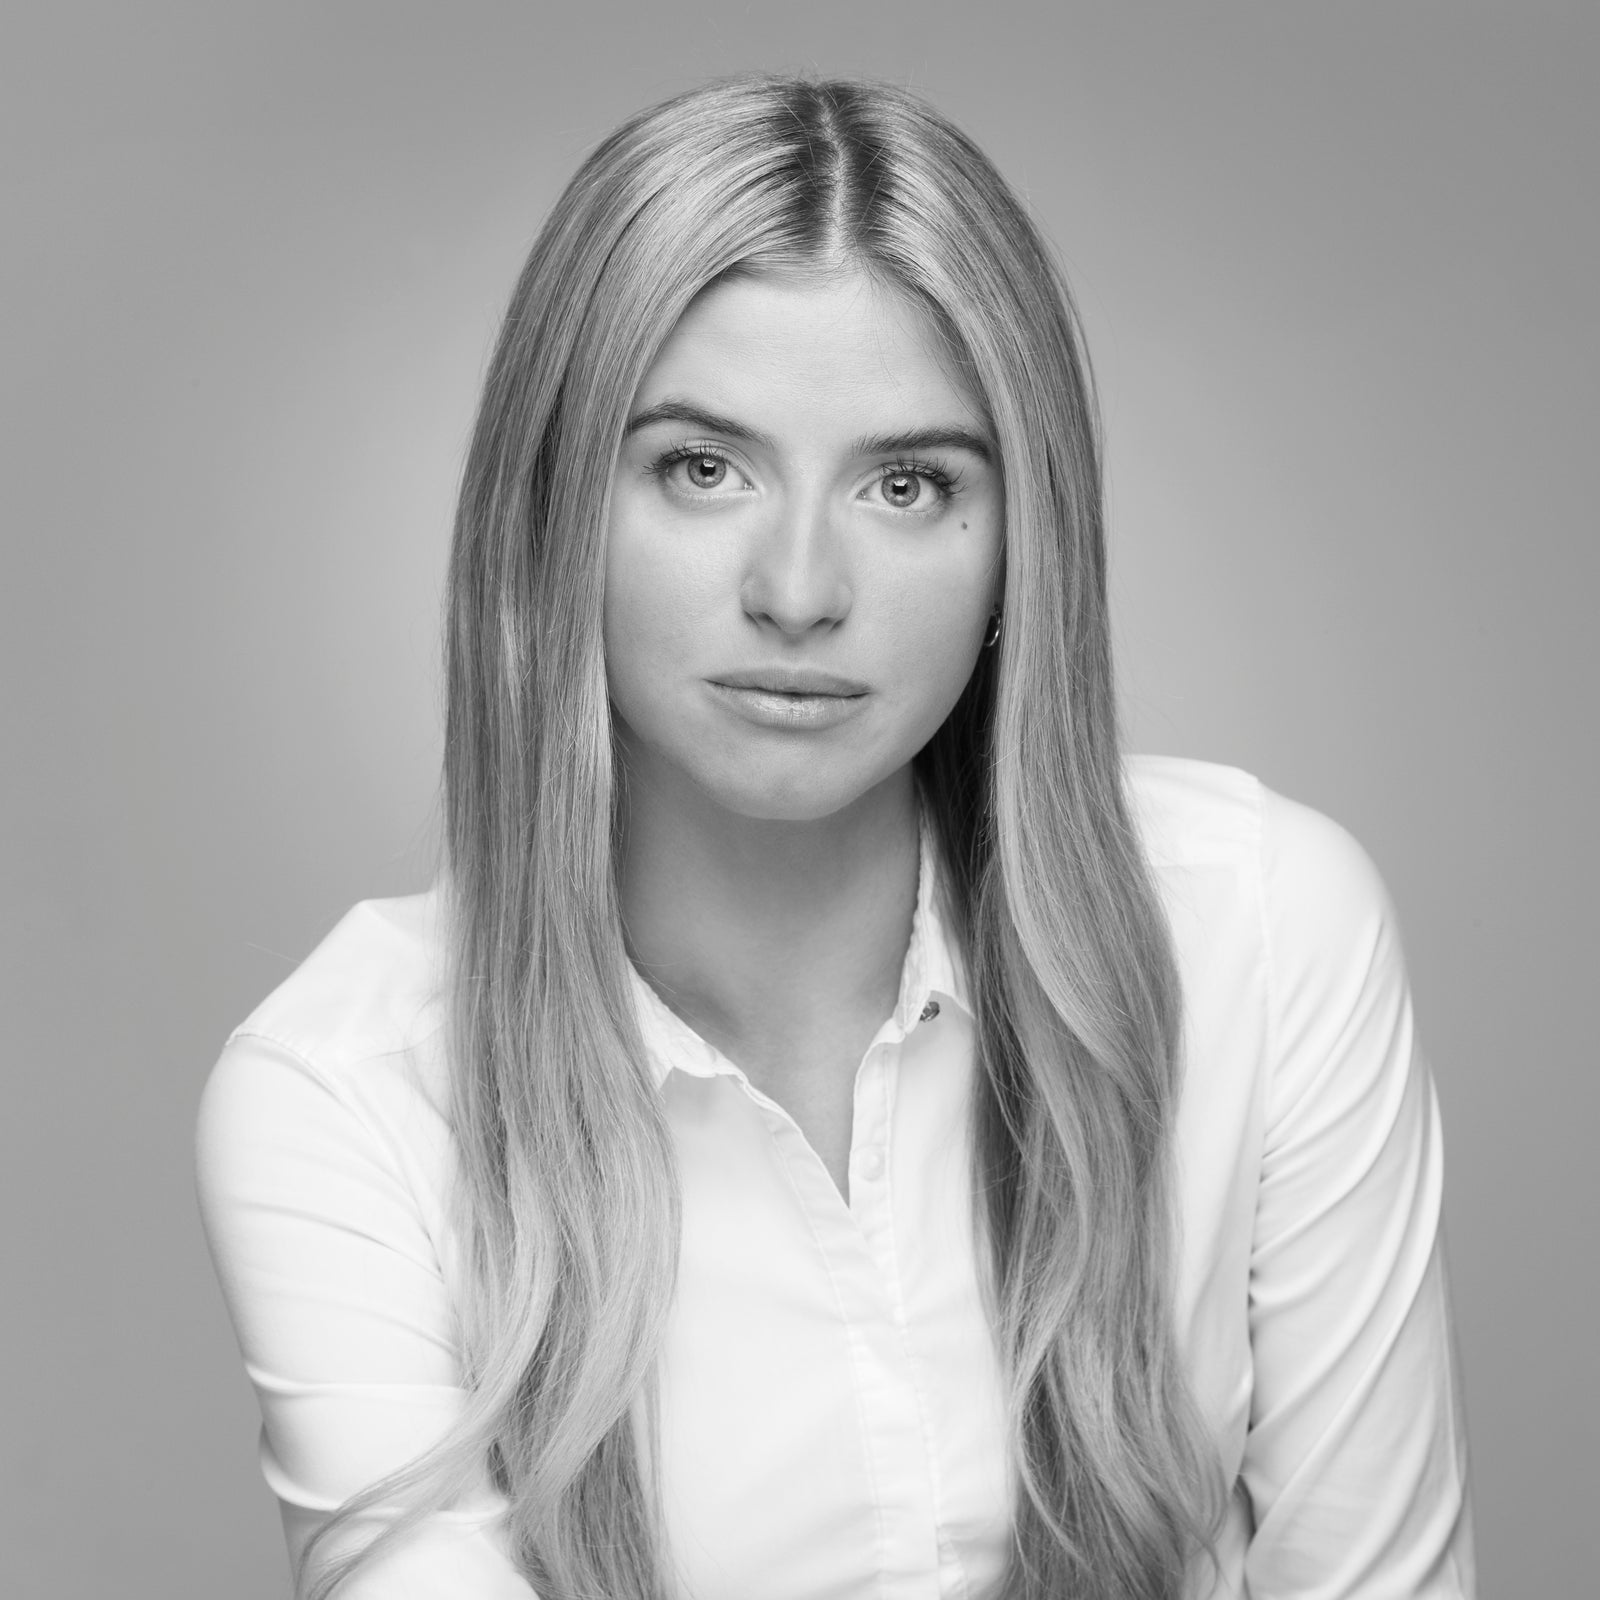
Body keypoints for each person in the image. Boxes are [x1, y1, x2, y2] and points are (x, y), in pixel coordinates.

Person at [194, 75, 1474, 1600]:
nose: (799, 589)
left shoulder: (1262, 930)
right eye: (701, 468)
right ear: (551, 519)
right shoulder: (344, 1098)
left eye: (907, 482)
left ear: (1018, 548)